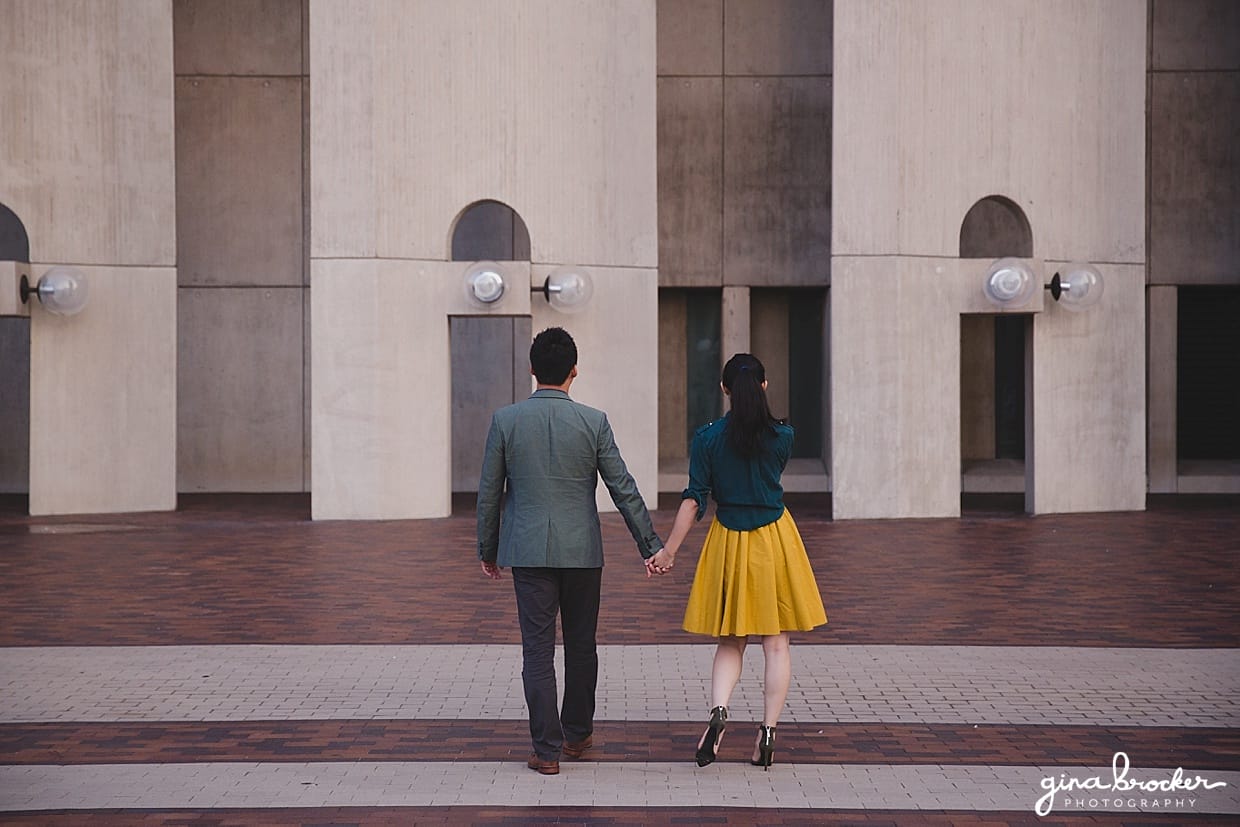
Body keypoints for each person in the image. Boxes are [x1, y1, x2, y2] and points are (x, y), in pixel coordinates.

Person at [477, 326, 665, 776]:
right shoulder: (593, 421)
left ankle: (546, 750)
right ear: (574, 371)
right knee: (582, 646)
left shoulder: (506, 420)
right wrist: (649, 544)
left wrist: (488, 548)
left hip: (527, 553)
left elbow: (489, 493)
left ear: (531, 370)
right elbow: (624, 488)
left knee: (537, 651)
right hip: (582, 550)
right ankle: (577, 734)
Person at [646, 353, 826, 770]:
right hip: (774, 539)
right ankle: (767, 732)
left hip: (728, 540)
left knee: (731, 640)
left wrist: (668, 551)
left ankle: (719, 713)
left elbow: (695, 498)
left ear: (724, 389)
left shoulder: (707, 438)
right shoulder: (784, 436)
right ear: (763, 386)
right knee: (776, 643)